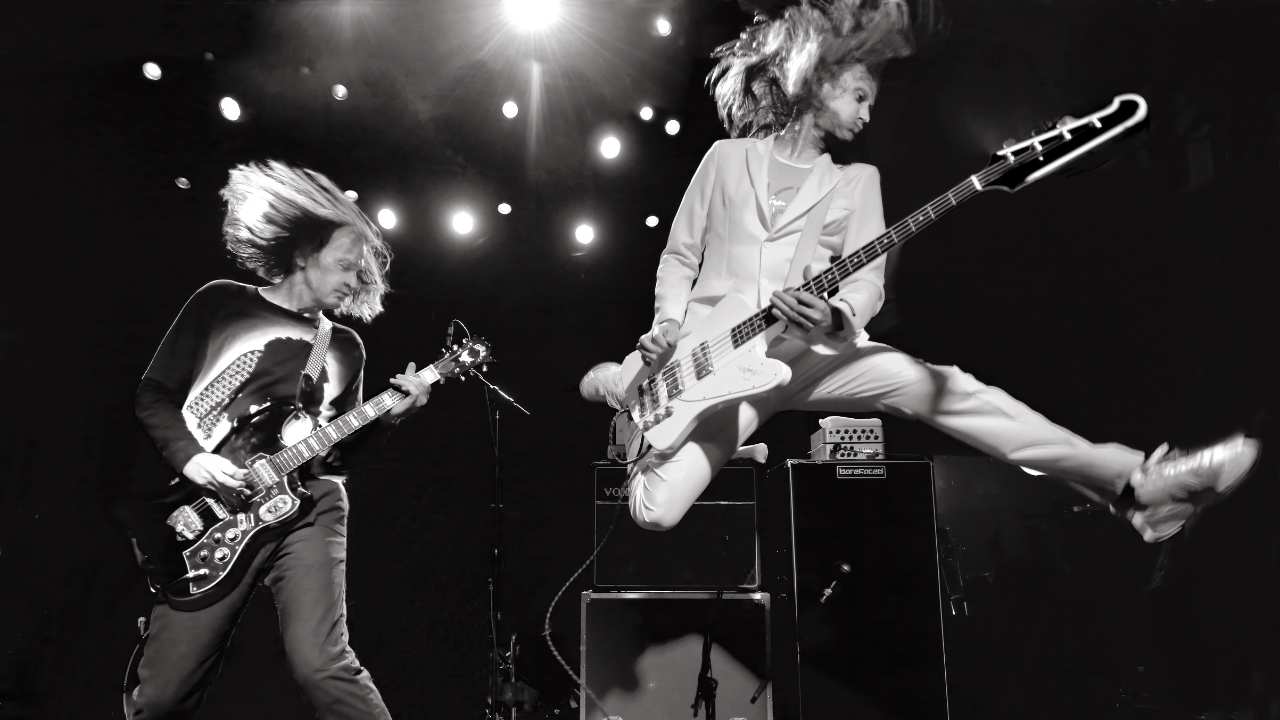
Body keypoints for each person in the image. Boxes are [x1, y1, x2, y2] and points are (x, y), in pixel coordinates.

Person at [579, 0, 1259, 544]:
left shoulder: (855, 182)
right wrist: (668, 326)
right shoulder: (724, 161)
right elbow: (679, 256)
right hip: (713, 361)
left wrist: (839, 316)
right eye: (858, 95)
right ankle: (633, 403)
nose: (868, 111)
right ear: (816, 83)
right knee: (655, 513)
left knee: (941, 389)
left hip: (807, 352)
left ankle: (1137, 486)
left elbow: (867, 282)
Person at [123, 160, 432, 718]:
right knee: (163, 696)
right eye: (343, 265)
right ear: (301, 255)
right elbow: (153, 396)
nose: (351, 281)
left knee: (324, 663)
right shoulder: (221, 303)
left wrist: (388, 418)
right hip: (213, 509)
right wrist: (195, 462)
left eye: (359, 274)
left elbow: (336, 454)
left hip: (310, 509)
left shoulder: (345, 349)